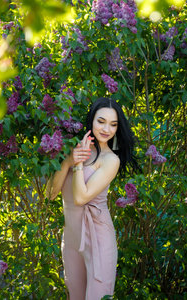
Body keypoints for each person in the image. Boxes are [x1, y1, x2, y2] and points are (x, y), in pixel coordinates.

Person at [46, 97, 138, 300]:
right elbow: (50, 194)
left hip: (98, 238)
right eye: (101, 121)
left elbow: (80, 198)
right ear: (91, 120)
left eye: (113, 124)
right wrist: (69, 159)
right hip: (71, 238)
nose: (107, 129)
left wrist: (77, 165)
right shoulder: (73, 149)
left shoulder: (110, 160)